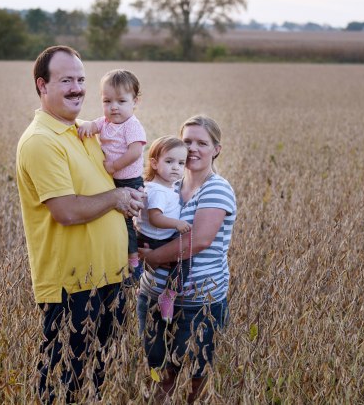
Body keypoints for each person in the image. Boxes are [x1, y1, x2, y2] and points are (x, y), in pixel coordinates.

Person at [15, 45, 145, 403]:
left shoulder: (82, 132)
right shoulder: (42, 141)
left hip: (110, 278)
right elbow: (67, 211)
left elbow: (113, 179)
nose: (77, 88)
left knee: (98, 381)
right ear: (42, 86)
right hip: (72, 287)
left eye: (81, 79)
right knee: (62, 385)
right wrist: (117, 200)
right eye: (66, 80)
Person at [137, 115, 237, 403]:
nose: (193, 148)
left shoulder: (216, 188)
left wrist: (153, 256)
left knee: (196, 375)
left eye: (202, 143)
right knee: (158, 370)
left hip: (198, 302)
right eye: (187, 141)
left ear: (216, 149)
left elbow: (200, 239)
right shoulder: (169, 184)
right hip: (153, 294)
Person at [78, 69, 146, 279]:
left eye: (121, 101)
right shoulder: (106, 122)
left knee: (126, 220)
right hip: (112, 179)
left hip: (129, 180)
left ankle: (134, 261)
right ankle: (115, 256)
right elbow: (94, 125)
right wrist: (88, 125)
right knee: (112, 218)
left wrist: (114, 165)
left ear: (135, 102)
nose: (113, 107)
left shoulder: (131, 125)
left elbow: (135, 152)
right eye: (107, 101)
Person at [135, 136, 191, 323]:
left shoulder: (166, 186)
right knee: (184, 260)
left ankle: (140, 281)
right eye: (169, 161)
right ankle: (168, 294)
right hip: (156, 238)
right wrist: (177, 224)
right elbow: (155, 218)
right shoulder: (158, 191)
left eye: (181, 163)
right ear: (154, 163)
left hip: (152, 236)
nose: (176, 167)